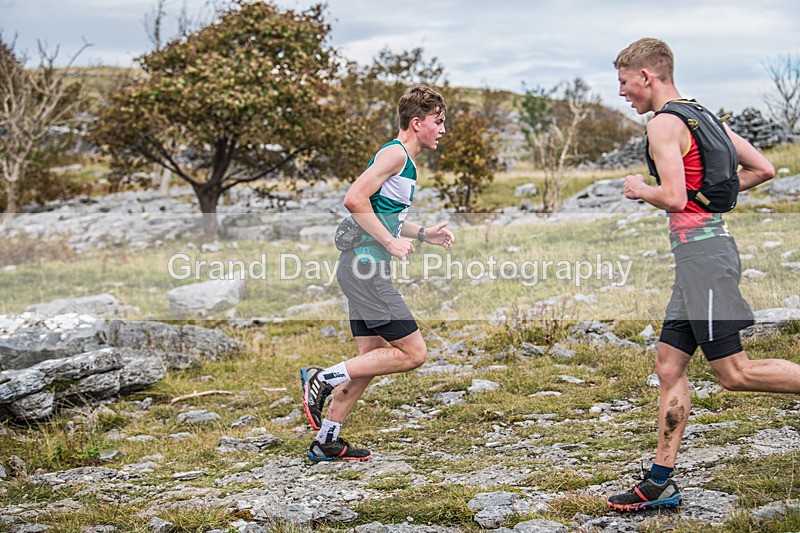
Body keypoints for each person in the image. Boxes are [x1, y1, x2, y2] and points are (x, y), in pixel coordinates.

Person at [607, 37, 800, 512]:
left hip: (705, 261)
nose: (621, 92)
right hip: (699, 259)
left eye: (623, 82)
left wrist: (640, 188)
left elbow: (671, 197)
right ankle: (660, 482)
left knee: (734, 373)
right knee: (669, 366)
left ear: (646, 76)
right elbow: (764, 168)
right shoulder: (705, 117)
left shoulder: (664, 125)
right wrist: (708, 195)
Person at [299, 84, 454, 462]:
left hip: (359, 267)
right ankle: (321, 378)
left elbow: (383, 213)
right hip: (366, 268)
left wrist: (422, 233)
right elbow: (354, 199)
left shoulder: (403, 161)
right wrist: (388, 242)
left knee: (370, 359)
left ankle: (327, 440)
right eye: (438, 122)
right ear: (417, 123)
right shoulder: (395, 154)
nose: (442, 130)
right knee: (414, 353)